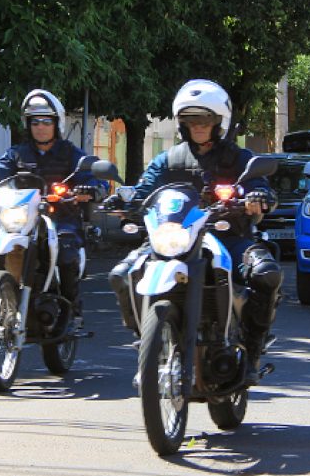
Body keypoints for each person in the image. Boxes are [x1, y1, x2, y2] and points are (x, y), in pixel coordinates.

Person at [105, 79, 282, 385]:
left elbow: (261, 185)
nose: (198, 126)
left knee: (265, 273)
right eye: (191, 120)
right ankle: (146, 336)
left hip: (229, 238)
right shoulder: (169, 159)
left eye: (205, 120)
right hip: (174, 238)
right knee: (121, 274)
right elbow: (144, 189)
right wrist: (124, 198)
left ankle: (252, 352)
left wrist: (259, 197)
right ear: (182, 124)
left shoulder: (239, 159)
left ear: (219, 122)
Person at [0, 89, 105, 319]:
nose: (40, 126)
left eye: (46, 121)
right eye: (35, 121)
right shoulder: (17, 153)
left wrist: (93, 188)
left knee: (66, 255)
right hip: (22, 220)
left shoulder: (70, 153)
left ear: (56, 123)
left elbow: (91, 176)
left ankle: (71, 309)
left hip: (61, 219)